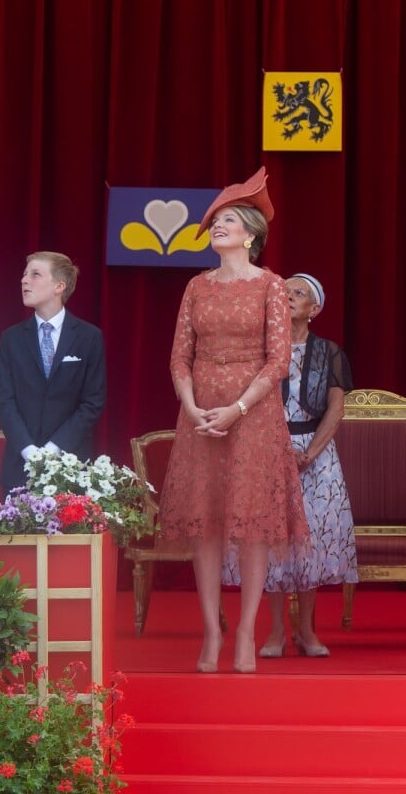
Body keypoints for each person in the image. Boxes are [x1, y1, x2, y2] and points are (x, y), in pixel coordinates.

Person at [157, 167, 310, 674]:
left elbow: (279, 361)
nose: (217, 227)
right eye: (214, 221)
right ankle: (210, 633)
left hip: (254, 415)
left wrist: (238, 407)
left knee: (252, 527)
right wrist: (192, 404)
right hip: (200, 416)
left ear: (250, 232)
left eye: (226, 220)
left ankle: (246, 632)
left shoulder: (270, 286)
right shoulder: (196, 287)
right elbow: (179, 357)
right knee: (205, 525)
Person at [257, 273, 356, 659]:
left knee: (310, 540)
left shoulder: (330, 351)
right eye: (283, 292)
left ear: (314, 309)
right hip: (267, 450)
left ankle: (307, 630)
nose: (288, 296)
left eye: (298, 293)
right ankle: (276, 631)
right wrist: (276, 450)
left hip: (316, 452)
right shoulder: (261, 349)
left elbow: (336, 407)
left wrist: (310, 453)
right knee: (272, 541)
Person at [0, 251, 106, 494]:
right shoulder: (11, 338)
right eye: (24, 275)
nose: (24, 280)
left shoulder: (88, 337)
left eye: (35, 274)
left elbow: (92, 402)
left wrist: (54, 449)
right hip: (19, 467)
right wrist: (28, 450)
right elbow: (5, 399)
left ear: (59, 286)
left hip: (71, 466)